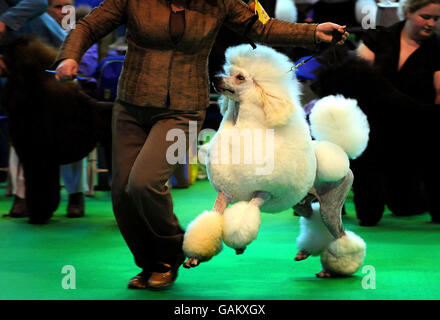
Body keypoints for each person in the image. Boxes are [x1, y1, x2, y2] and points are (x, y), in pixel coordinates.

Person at [55, 0, 348, 290]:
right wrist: (69, 57)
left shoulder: (219, 2)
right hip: (130, 107)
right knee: (121, 192)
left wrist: (312, 33)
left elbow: (263, 27)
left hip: (182, 110)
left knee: (144, 183)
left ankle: (170, 253)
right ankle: (149, 263)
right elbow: (89, 25)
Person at [4, 0, 98, 219]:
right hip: (29, 97)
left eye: (68, 6)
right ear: (45, 9)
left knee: (73, 138)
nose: (64, 11)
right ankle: (22, 196)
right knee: (21, 145)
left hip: (62, 94)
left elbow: (82, 65)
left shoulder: (76, 32)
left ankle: (76, 195)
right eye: (57, 6)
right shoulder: (28, 22)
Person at [352, 0, 440, 225]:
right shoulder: (377, 38)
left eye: (436, 19)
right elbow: (355, 80)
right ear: (409, 12)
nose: (431, 23)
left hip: (415, 132)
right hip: (372, 127)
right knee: (368, 216)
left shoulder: (438, 49)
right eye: (426, 16)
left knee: (405, 207)